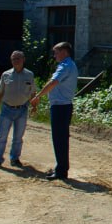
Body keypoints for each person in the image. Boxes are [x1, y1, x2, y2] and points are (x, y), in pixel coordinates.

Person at [31, 41, 78, 181]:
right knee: (61, 138)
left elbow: (53, 83)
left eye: (56, 52)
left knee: (59, 139)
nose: (54, 55)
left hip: (60, 107)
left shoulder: (65, 67)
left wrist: (38, 96)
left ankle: (61, 170)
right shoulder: (70, 65)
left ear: (64, 52)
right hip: (63, 106)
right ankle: (61, 168)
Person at [0, 50, 35, 168]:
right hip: (7, 109)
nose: (16, 61)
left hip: (22, 109)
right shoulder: (6, 74)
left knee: (18, 137)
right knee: (2, 136)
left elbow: (32, 92)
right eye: (13, 59)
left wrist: (34, 106)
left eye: (18, 58)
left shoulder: (29, 75)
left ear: (23, 59)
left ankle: (15, 159)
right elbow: (0, 91)